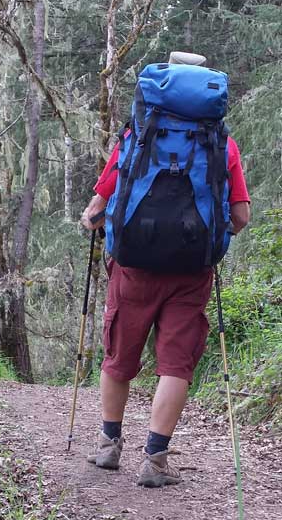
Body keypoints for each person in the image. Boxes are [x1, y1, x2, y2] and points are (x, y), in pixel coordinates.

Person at [81, 51, 250, 488]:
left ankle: (108, 446)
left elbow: (99, 204)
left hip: (133, 267)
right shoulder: (220, 142)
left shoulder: (137, 134)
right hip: (192, 271)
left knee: (120, 355)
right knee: (175, 363)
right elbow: (241, 216)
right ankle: (155, 461)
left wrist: (96, 218)